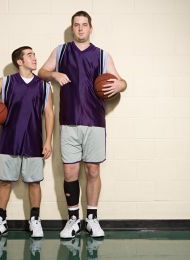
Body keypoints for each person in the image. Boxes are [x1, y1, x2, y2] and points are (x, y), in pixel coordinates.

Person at [38, 10, 127, 239]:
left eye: (84, 24)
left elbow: (122, 81)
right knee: (70, 173)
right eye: (76, 25)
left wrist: (120, 85)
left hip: (95, 121)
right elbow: (41, 72)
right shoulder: (61, 50)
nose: (80, 28)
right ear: (72, 28)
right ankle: (73, 220)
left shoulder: (102, 55)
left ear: (90, 27)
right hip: (68, 121)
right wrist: (54, 74)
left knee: (93, 170)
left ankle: (92, 219)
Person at [0, 46, 54, 238]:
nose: (34, 58)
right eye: (30, 55)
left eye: (34, 54)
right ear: (19, 61)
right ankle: (0, 221)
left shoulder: (44, 86)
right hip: (9, 140)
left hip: (34, 141)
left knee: (34, 183)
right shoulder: (5, 82)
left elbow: (50, 113)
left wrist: (48, 140)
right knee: (4, 182)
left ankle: (35, 221)